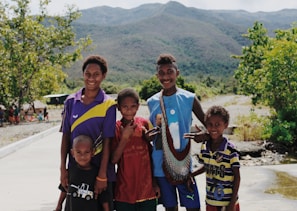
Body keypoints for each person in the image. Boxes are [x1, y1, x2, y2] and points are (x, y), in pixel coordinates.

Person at [147, 53, 205, 211]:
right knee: (170, 207)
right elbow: (149, 133)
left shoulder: (189, 98)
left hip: (183, 165)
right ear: (156, 75)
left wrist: (203, 136)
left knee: (193, 207)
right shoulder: (152, 102)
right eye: (161, 72)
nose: (166, 76)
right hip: (160, 165)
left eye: (170, 71)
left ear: (177, 73)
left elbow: (210, 127)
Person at [60, 55, 116, 211]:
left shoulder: (109, 104)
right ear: (83, 74)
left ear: (103, 76)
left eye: (96, 74)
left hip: (100, 173)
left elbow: (107, 142)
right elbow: (65, 137)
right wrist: (63, 169)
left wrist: (102, 175)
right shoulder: (71, 101)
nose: (92, 78)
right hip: (76, 173)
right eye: (88, 74)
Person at [111, 88, 159, 211]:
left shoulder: (143, 124)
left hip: (147, 191)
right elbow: (114, 160)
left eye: (133, 106)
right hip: (124, 191)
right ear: (118, 107)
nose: (129, 110)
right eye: (125, 107)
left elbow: (150, 156)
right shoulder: (116, 128)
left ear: (138, 106)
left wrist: (154, 183)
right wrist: (125, 137)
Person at [191, 106, 241, 211]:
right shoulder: (204, 147)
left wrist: (231, 204)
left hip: (228, 203)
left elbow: (237, 177)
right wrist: (191, 175)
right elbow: (206, 166)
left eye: (217, 125)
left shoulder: (230, 150)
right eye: (210, 124)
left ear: (226, 125)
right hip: (211, 201)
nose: (213, 128)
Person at [65, 135, 103, 211]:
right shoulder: (71, 171)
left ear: (92, 152)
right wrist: (59, 205)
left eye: (86, 152)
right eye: (79, 152)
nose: (82, 156)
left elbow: (104, 198)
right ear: (72, 153)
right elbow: (64, 189)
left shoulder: (97, 173)